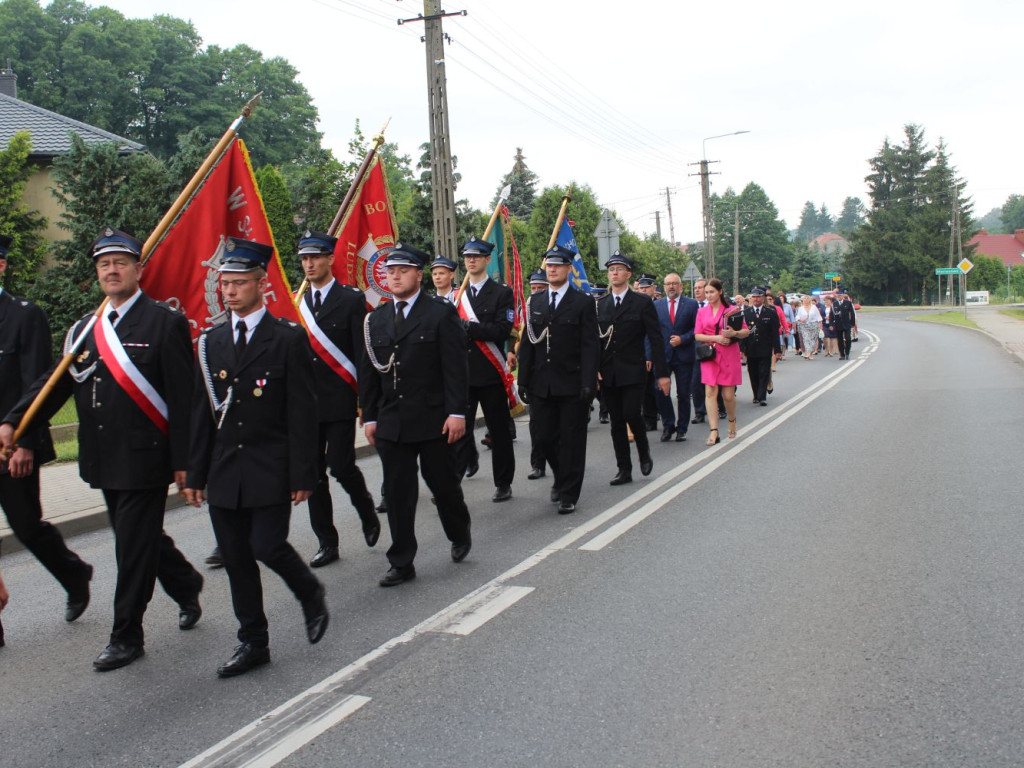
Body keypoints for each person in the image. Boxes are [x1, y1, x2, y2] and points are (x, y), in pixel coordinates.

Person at [1, 227, 204, 671]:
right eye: (103, 265)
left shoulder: (163, 321)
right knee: (139, 537)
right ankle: (186, 582)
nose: (111, 271)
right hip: (102, 457)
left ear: (139, 269)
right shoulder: (85, 328)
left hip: (147, 456)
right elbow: (50, 386)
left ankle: (126, 635)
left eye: (120, 263)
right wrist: (16, 421)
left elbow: (184, 397)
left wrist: (186, 463)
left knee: (131, 547)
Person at [186, 237, 328, 678]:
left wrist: (305, 472)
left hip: (271, 464)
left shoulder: (286, 338)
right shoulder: (210, 343)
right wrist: (195, 472)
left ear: (260, 284)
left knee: (266, 545)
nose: (229, 292)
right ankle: (253, 641)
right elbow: (200, 413)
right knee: (235, 558)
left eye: (239, 284)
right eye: (225, 285)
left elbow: (304, 412)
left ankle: (308, 591)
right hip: (226, 468)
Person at [361, 243, 471, 587]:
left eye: (403, 270)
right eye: (390, 271)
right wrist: (370, 417)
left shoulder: (439, 313)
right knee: (398, 492)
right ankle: (402, 561)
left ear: (418, 275)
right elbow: (370, 372)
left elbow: (455, 367)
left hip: (433, 416)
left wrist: (457, 412)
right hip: (393, 418)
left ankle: (459, 531)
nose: (395, 276)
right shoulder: (375, 318)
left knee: (443, 485)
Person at [0, 233, 94, 624]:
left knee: (25, 526)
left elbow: (38, 385)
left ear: (2, 264)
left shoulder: (24, 315)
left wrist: (24, 441)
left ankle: (74, 574)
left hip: (9, 445)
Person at [296, 230, 379, 569]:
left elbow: (362, 355)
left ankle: (366, 509)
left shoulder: (350, 299)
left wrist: (366, 403)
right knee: (313, 475)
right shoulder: (296, 301)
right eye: (304, 258)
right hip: (305, 403)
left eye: (315, 257)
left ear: (330, 258)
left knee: (341, 465)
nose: (309, 263)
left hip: (340, 398)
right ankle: (326, 541)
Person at [518, 245, 599, 514]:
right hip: (542, 383)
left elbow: (589, 345)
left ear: (568, 269)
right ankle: (561, 476)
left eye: (557, 265)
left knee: (572, 441)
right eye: (548, 265)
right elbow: (529, 343)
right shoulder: (535, 302)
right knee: (543, 438)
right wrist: (524, 379)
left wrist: (589, 382)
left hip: (572, 382)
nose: (551, 269)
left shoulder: (583, 302)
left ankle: (568, 493)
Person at [597, 253, 669, 486]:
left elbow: (656, 338)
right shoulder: (602, 304)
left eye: (619, 269)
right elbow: (595, 340)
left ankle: (644, 451)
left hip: (633, 369)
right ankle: (623, 469)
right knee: (617, 421)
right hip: (609, 371)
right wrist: (594, 367)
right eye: (611, 269)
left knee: (631, 413)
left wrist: (663, 374)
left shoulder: (642, 302)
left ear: (628, 274)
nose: (614, 273)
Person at [452, 237, 516, 503]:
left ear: (487, 260)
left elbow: (502, 330)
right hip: (462, 373)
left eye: (477, 256)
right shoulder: (457, 295)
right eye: (467, 256)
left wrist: (471, 329)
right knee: (456, 432)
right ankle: (451, 484)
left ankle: (503, 482)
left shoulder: (502, 293)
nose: (471, 260)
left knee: (499, 432)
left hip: (490, 372)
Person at [694, 278, 749, 445]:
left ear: (720, 292)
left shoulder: (732, 310)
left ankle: (732, 420)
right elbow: (697, 335)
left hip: (728, 354)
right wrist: (715, 338)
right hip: (710, 355)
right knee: (710, 392)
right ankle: (714, 431)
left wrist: (735, 334)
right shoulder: (702, 312)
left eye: (712, 292)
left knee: (728, 396)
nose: (709, 295)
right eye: (707, 292)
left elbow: (746, 331)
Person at [654, 272, 699, 442]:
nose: (671, 287)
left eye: (674, 283)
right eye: (668, 284)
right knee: (660, 391)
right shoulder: (656, 305)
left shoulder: (691, 304)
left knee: (683, 394)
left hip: (684, 355)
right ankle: (668, 425)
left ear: (681, 286)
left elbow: (697, 329)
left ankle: (682, 428)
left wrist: (683, 339)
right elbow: (652, 332)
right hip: (663, 356)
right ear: (664, 287)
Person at [525, 271, 550, 480]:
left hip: (559, 377)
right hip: (536, 377)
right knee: (536, 424)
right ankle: (537, 464)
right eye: (533, 288)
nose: (535, 292)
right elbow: (526, 346)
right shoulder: (529, 308)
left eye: (539, 288)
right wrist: (523, 381)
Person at [742, 288, 781, 406]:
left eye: (758, 296)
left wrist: (777, 350)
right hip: (751, 347)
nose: (756, 299)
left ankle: (762, 396)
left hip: (765, 347)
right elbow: (743, 332)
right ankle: (756, 395)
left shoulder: (770, 312)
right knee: (753, 372)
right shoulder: (746, 312)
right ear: (750, 298)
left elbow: (774, 332)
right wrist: (742, 349)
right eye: (753, 297)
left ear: (763, 298)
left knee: (764, 372)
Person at [690, 279, 708, 425]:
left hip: (712, 349)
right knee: (695, 382)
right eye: (695, 288)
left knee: (713, 382)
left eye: (700, 288)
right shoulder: (690, 306)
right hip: (694, 350)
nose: (697, 290)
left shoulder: (715, 307)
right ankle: (699, 412)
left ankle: (719, 407)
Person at [796, 295, 823, 359]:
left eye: (807, 298)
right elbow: (797, 317)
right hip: (804, 325)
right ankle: (808, 353)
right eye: (804, 299)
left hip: (814, 325)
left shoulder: (814, 307)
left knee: (813, 340)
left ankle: (811, 353)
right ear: (803, 300)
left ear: (809, 300)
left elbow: (819, 317)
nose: (806, 300)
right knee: (806, 339)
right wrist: (801, 320)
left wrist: (820, 327)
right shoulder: (801, 308)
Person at [834, 289, 856, 359]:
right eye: (838, 295)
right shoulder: (834, 304)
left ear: (843, 295)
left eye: (840, 295)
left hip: (847, 324)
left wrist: (852, 323)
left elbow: (852, 313)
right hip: (838, 324)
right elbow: (832, 314)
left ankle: (847, 353)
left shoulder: (848, 303)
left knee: (848, 338)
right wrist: (831, 324)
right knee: (840, 340)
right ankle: (842, 354)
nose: (839, 296)